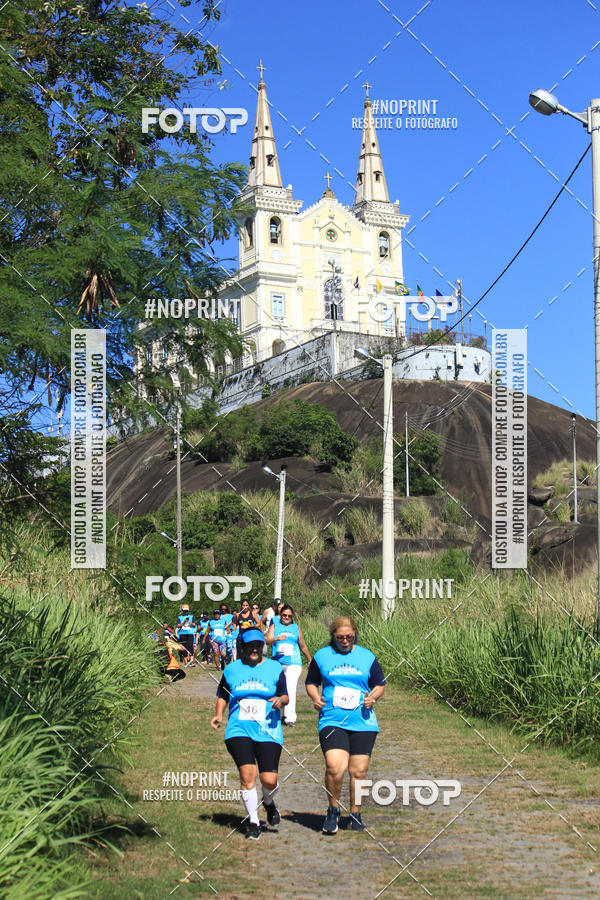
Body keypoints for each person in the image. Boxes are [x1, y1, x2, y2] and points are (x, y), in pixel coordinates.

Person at [305, 616, 386, 834]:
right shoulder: (322, 656)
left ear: (355, 634)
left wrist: (373, 697)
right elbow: (311, 682)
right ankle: (333, 811)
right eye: (340, 637)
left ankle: (355, 814)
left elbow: (379, 684)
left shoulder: (366, 656)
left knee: (358, 771)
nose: (345, 640)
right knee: (335, 766)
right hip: (332, 718)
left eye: (349, 636)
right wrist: (315, 697)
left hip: (363, 721)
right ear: (333, 636)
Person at [210, 627, 289, 840]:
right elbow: (223, 695)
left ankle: (269, 802)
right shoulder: (232, 670)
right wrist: (219, 715)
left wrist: (280, 701)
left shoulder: (275, 668)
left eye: (258, 645)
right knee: (247, 777)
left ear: (262, 647)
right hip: (239, 729)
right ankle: (254, 821)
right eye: (250, 646)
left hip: (268, 730)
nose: (254, 649)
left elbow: (285, 696)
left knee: (269, 780)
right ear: (243, 647)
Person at [266, 604, 311, 726]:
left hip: (294, 663)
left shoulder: (296, 627)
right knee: (276, 689)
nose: (286, 617)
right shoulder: (275, 625)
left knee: (290, 688)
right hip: (277, 662)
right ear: (280, 615)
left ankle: (289, 718)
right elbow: (267, 640)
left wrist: (309, 659)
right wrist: (276, 639)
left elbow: (303, 645)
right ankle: (273, 714)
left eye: (289, 616)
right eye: (284, 615)